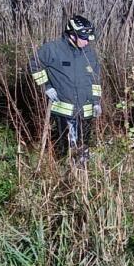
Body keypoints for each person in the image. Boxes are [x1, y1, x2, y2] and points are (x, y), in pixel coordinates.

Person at [29, 15, 102, 165]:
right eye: (83, 37)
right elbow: (34, 65)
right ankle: (64, 172)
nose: (87, 41)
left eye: (89, 37)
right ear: (72, 34)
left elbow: (95, 80)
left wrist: (96, 102)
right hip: (63, 109)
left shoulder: (89, 53)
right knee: (65, 147)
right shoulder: (52, 49)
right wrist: (46, 86)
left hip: (86, 110)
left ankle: (82, 173)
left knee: (83, 145)